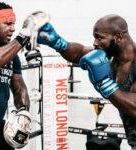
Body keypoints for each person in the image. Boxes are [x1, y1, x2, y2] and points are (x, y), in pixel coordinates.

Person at [36, 14, 136, 149]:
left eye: (99, 38)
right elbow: (79, 53)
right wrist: (57, 42)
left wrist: (104, 84)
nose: (95, 43)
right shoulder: (110, 57)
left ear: (118, 37)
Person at [0, 1, 49, 150]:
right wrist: (23, 35)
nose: (13, 29)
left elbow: (19, 87)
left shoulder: (11, 54)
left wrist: (23, 112)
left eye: (14, 24)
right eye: (8, 24)